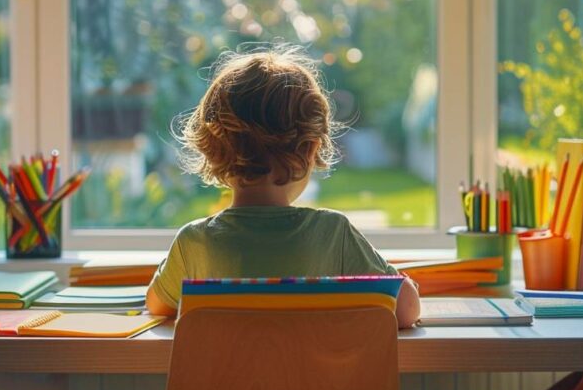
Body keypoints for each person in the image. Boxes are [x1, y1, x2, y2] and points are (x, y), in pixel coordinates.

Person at [145, 44, 421, 328]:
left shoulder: (194, 243)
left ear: (213, 150)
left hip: (227, 375)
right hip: (315, 375)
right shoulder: (333, 234)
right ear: (311, 149)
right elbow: (406, 309)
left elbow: (156, 305)